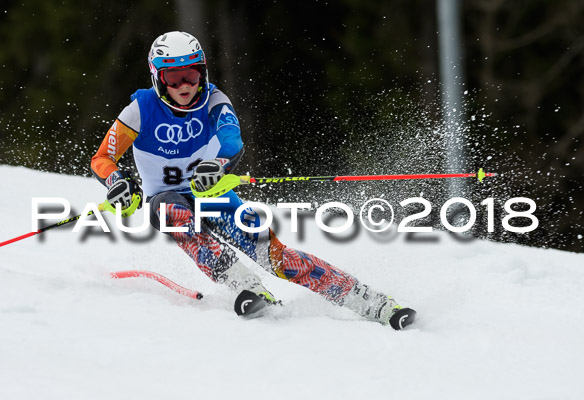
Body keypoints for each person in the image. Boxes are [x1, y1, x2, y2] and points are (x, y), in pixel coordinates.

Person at [90, 31, 415, 329]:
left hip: (212, 195)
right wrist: (119, 181)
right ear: (157, 78)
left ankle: (373, 302)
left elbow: (232, 141)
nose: (185, 85)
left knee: (277, 258)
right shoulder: (140, 110)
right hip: (168, 198)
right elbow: (102, 158)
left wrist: (217, 165)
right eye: (173, 78)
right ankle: (244, 285)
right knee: (171, 212)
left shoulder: (214, 101)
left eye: (192, 74)